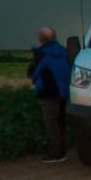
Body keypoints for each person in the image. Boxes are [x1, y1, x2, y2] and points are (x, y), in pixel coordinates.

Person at [28, 26, 71, 163]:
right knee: (60, 122)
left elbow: (32, 72)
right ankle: (62, 151)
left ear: (41, 39)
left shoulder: (42, 54)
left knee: (51, 123)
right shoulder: (63, 51)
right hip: (63, 92)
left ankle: (56, 153)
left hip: (47, 93)